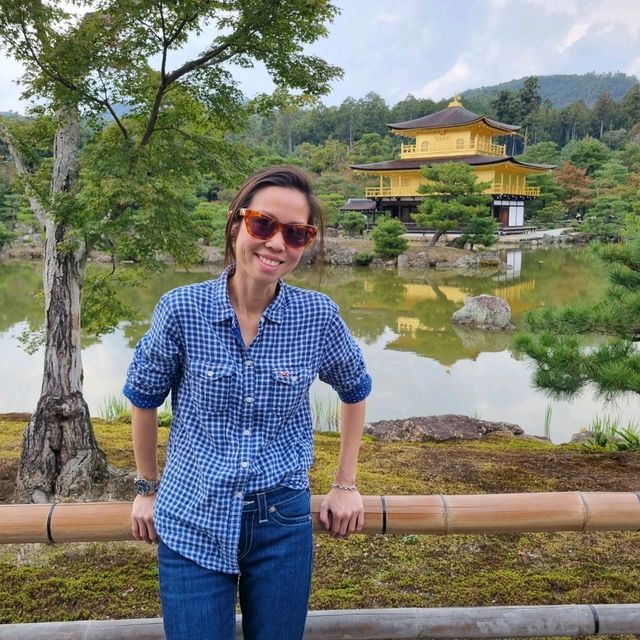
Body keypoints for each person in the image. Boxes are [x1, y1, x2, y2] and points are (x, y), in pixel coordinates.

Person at [123, 165, 372, 640]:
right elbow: (143, 397)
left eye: (296, 233)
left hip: (281, 521)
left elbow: (355, 389)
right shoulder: (182, 309)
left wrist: (346, 484)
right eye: (264, 224)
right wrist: (145, 487)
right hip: (192, 513)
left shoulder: (317, 316)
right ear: (237, 223)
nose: (277, 243)